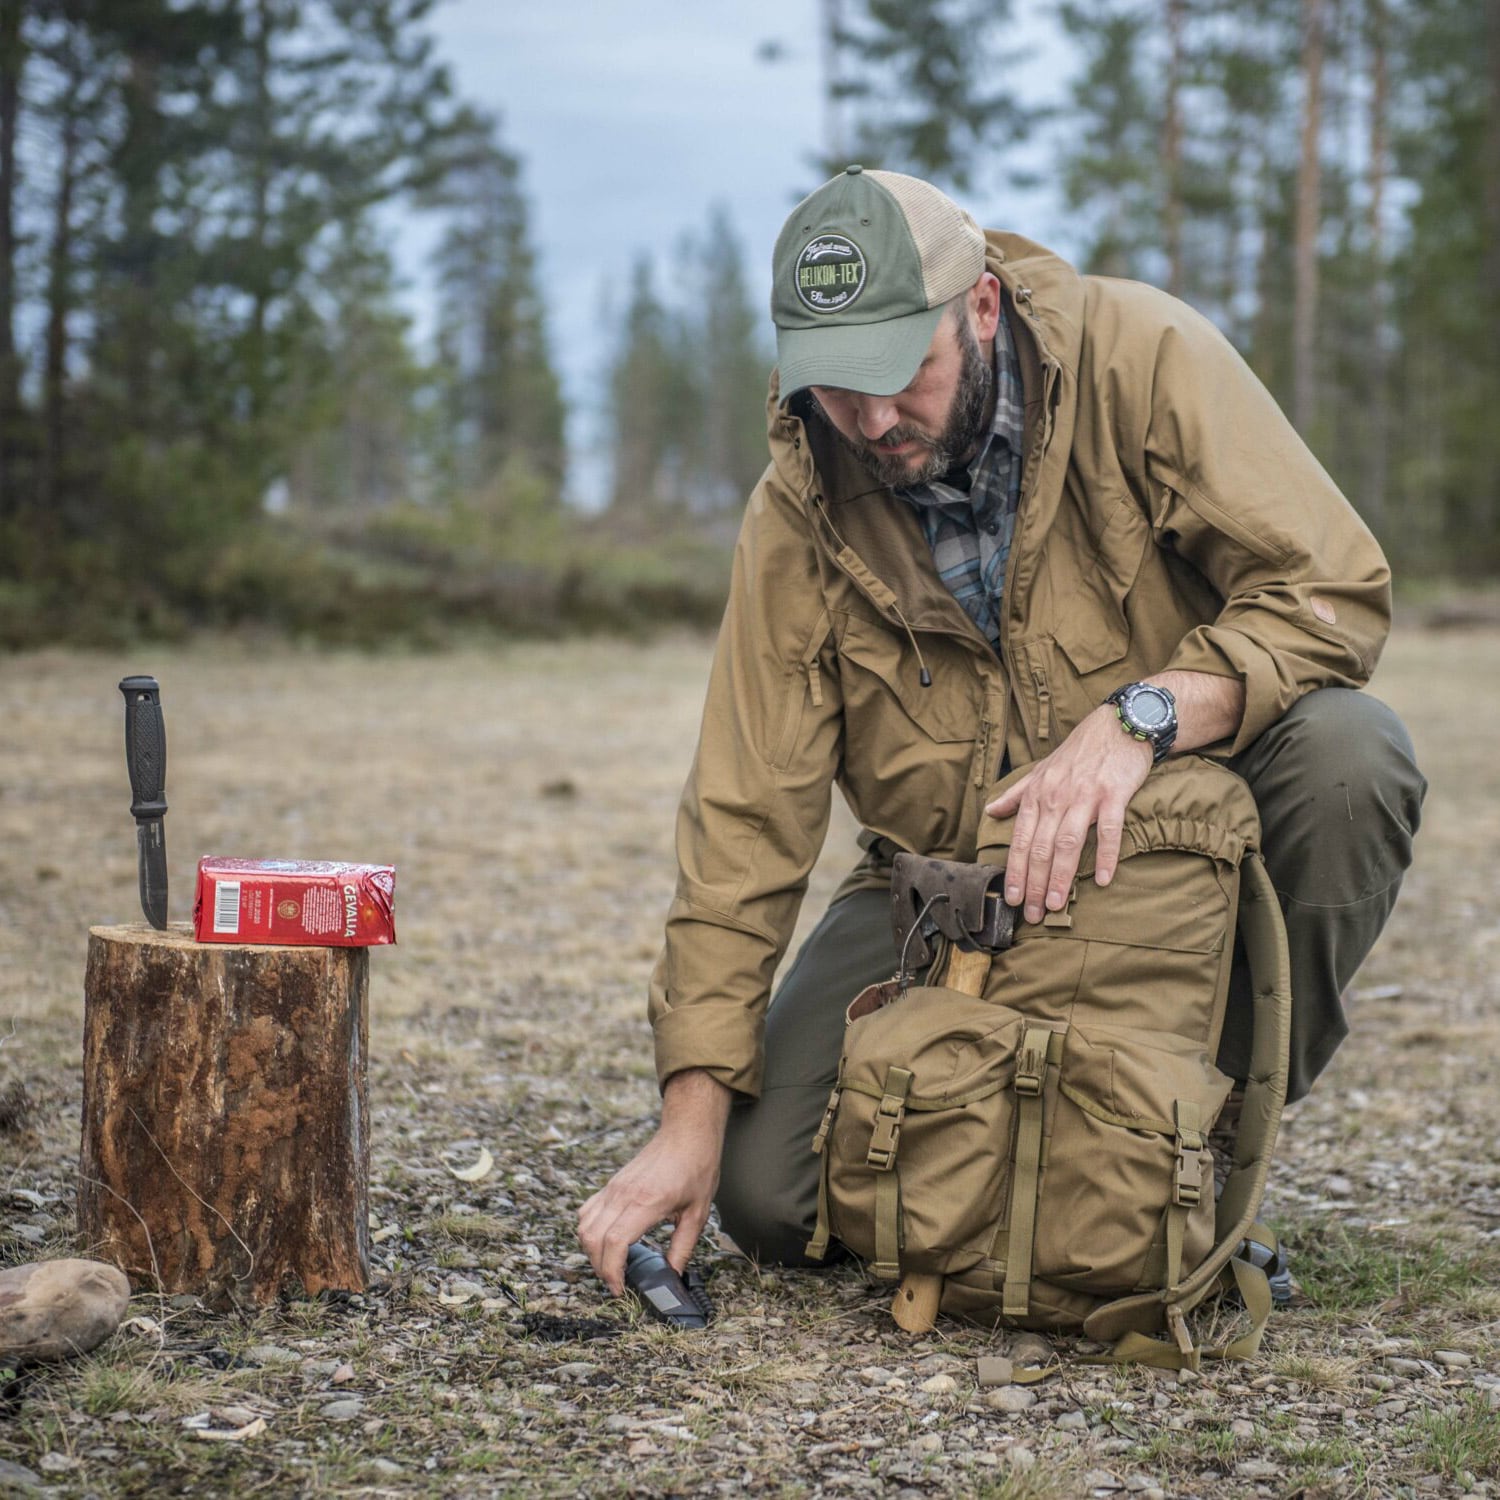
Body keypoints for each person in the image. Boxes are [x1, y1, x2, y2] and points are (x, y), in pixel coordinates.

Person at [577, 166, 1425, 1296]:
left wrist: (1145, 716)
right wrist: (686, 1119)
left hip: (1163, 871)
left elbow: (1331, 592)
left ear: (978, 308)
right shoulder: (796, 509)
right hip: (947, 892)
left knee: (1352, 759)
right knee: (764, 1200)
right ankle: (1041, 1182)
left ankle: (1191, 1149)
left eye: (903, 375)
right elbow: (745, 817)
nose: (875, 422)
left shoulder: (1143, 359)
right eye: (837, 387)